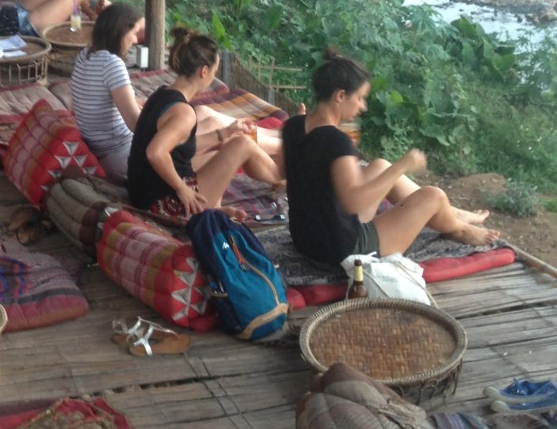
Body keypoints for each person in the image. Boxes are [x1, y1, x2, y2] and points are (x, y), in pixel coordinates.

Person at [282, 48, 499, 269]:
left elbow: (286, 173)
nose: (363, 106)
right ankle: (459, 229)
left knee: (380, 166)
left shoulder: (292, 125)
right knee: (433, 196)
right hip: (340, 251)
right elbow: (353, 202)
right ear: (340, 96)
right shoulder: (336, 141)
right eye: (360, 98)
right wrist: (402, 166)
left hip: (306, 240)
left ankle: (452, 214)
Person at [127, 27, 283, 221]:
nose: (213, 78)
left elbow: (181, 148)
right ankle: (287, 177)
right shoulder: (183, 113)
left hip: (143, 194)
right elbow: (155, 152)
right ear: (204, 71)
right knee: (243, 145)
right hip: (163, 204)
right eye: (214, 72)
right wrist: (182, 189)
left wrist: (226, 132)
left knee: (220, 152)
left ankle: (214, 209)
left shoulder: (161, 94)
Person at [69, 3, 144, 181]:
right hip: (120, 155)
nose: (135, 40)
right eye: (134, 33)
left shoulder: (85, 54)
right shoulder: (111, 64)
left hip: (96, 148)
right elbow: (135, 124)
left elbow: (89, 101)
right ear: (120, 33)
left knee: (202, 119)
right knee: (193, 142)